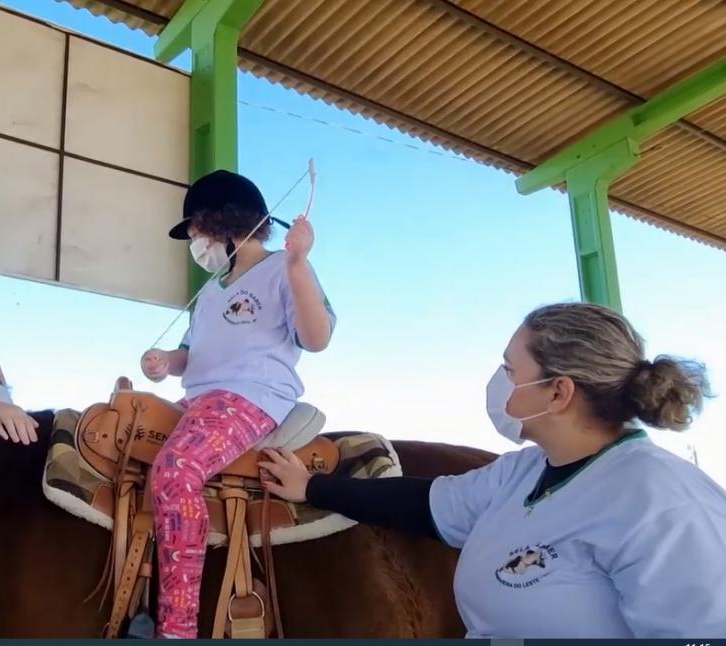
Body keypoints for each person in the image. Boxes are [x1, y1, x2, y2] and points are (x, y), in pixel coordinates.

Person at [261, 302, 726, 638]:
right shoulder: (524, 472)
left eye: (510, 368)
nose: (500, 381)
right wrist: (314, 487)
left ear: (558, 392)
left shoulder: (663, 502)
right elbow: (426, 504)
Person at [139, 170, 336, 638]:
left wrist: (298, 266)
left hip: (251, 396)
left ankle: (178, 627)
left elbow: (317, 337)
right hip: (199, 400)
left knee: (175, 470)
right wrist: (166, 361)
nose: (194, 243)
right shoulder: (208, 293)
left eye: (195, 232)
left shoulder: (282, 269)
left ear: (223, 223)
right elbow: (193, 356)